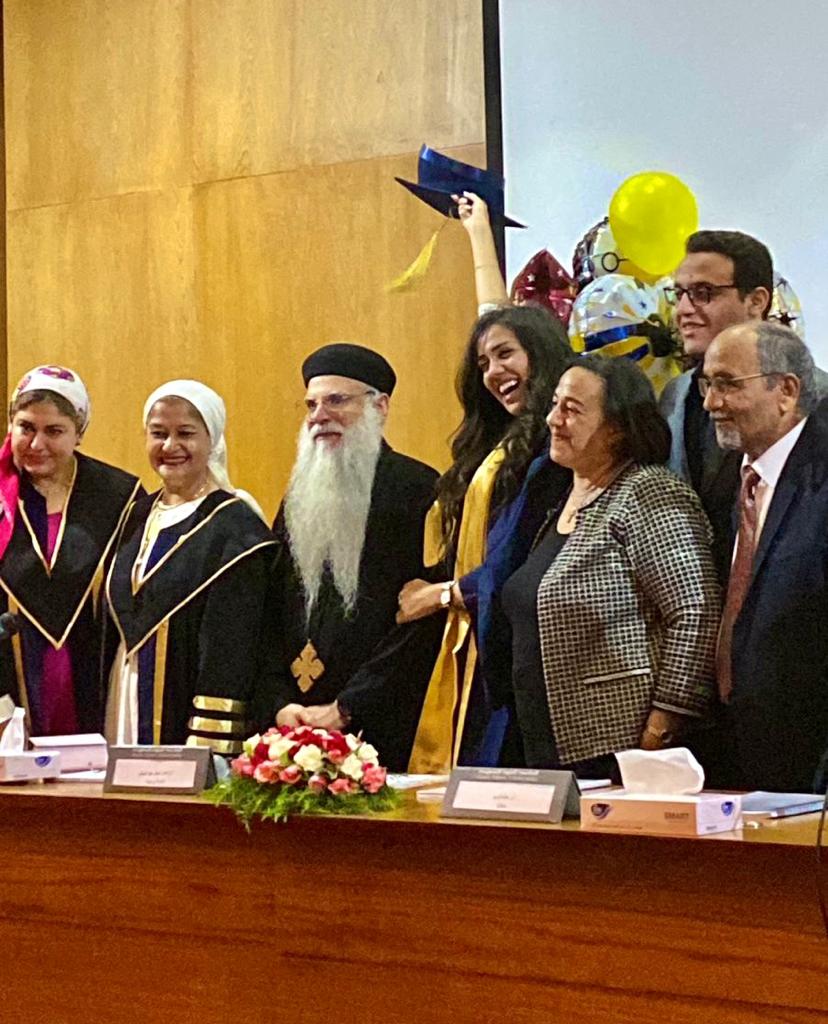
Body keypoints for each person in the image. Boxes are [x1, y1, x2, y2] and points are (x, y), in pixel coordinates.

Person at [488, 356, 719, 776]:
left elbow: (695, 613)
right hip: (546, 746)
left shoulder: (648, 491)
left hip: (623, 752)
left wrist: (662, 726)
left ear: (616, 429)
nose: (553, 420)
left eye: (572, 409)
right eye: (555, 404)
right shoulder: (562, 500)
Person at [398, 306, 573, 772]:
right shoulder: (498, 445)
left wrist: (445, 594)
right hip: (473, 636)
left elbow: (527, 556)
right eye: (483, 363)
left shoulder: (555, 451)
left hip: (519, 648)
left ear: (540, 353)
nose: (494, 372)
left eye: (505, 354)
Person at [260, 344, 439, 769]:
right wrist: (279, 702)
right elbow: (268, 609)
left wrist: (347, 707)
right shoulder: (298, 497)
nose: (319, 415)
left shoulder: (418, 488)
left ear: (380, 406)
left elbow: (423, 622)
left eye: (337, 400)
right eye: (311, 405)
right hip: (293, 729)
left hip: (381, 726)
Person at [105, 380, 275, 753]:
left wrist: (209, 748)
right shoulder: (135, 515)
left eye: (185, 433)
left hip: (188, 714)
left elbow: (231, 650)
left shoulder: (236, 529)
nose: (170, 446)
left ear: (212, 440)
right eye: (158, 433)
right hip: (124, 697)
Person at [701, 321, 828, 792]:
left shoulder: (820, 479)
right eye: (707, 384)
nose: (711, 403)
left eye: (727, 384)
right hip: (731, 752)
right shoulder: (724, 481)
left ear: (786, 391)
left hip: (810, 763)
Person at [0, 365, 140, 736]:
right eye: (26, 427)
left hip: (95, 679)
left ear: (79, 433)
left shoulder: (119, 497)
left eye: (54, 431)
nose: (36, 444)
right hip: (9, 686)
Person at [659, 231, 774, 577]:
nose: (683, 310)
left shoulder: (815, 399)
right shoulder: (674, 396)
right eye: (679, 294)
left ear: (756, 301)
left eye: (703, 293)